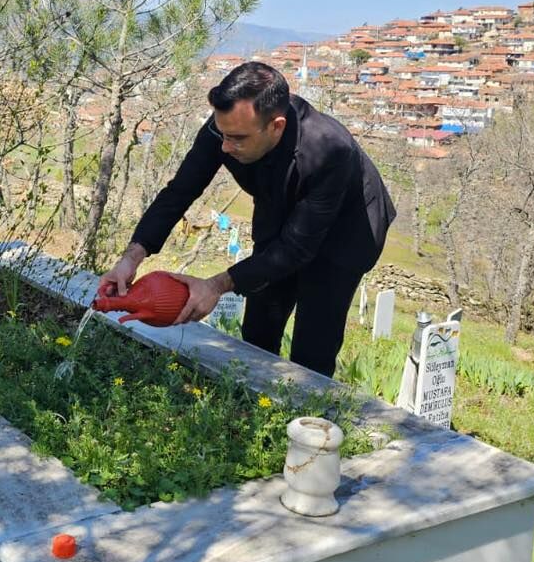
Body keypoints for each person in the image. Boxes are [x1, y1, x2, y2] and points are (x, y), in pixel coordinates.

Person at [98, 62, 396, 377]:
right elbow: (179, 193)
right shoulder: (225, 128)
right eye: (223, 134)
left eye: (237, 139)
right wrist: (131, 257)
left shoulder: (330, 150)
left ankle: (306, 418)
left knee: (313, 344)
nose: (225, 147)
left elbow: (296, 249)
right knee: (259, 323)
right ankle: (252, 403)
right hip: (279, 210)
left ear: (276, 126)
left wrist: (214, 286)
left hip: (346, 232)